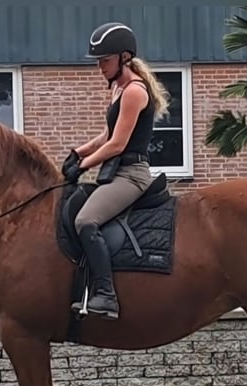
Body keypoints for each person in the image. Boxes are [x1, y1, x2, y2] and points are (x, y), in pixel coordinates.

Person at [62, 21, 170, 320]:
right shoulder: (119, 90)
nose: (100, 67)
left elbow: (118, 145)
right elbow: (106, 136)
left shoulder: (135, 91)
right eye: (98, 61)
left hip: (132, 175)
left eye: (105, 60)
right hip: (115, 173)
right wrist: (77, 152)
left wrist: (82, 167)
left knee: (86, 221)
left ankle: (107, 295)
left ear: (124, 57)